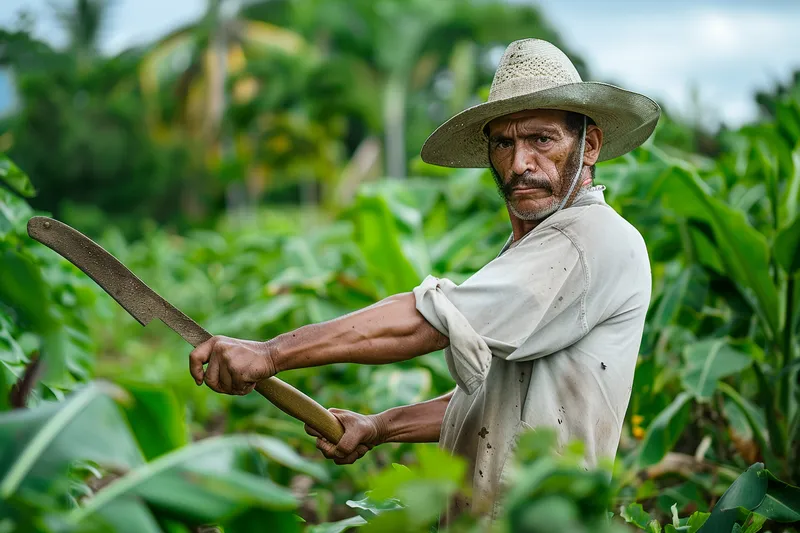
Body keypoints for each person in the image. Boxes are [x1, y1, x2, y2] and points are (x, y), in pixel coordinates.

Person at [188, 38, 660, 519]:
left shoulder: (589, 239)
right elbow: (492, 402)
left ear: (591, 145)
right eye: (504, 143)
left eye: (542, 140)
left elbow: (430, 320)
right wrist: (380, 426)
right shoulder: (538, 249)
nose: (520, 163)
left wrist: (271, 353)